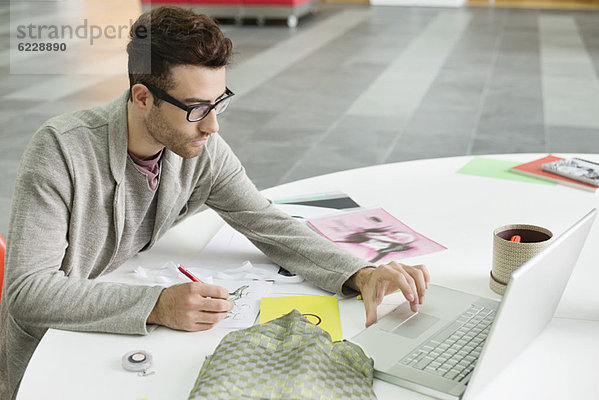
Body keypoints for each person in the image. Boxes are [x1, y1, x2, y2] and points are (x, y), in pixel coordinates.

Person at [0, 6, 430, 399]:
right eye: (196, 108)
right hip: (51, 357)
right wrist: (157, 305)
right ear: (142, 97)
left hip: (116, 337)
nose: (212, 125)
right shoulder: (60, 150)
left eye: (219, 101)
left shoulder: (199, 146)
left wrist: (360, 272)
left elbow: (265, 221)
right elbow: (27, 292)